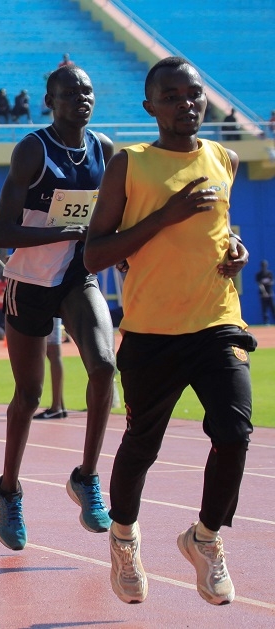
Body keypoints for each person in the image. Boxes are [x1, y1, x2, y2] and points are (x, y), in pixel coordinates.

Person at [84, 56, 252, 606]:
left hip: (217, 322)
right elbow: (95, 254)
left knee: (233, 433)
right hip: (154, 332)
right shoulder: (128, 164)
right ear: (150, 106)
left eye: (195, 93)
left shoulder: (224, 157)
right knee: (141, 447)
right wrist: (165, 216)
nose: (187, 104)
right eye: (173, 95)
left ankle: (204, 537)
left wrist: (235, 252)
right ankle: (124, 537)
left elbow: (219, 231)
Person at [0, 65, 117, 551]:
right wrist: (70, 232)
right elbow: (2, 234)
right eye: (69, 93)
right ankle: (9, 490)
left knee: (105, 366)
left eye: (86, 91)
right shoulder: (32, 150)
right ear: (50, 100)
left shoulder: (104, 151)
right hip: (29, 282)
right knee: (28, 395)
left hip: (76, 278)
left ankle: (86, 477)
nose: (80, 99)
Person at [32, 317, 67, 419]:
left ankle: (56, 407)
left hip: (49, 308)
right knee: (53, 354)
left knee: (54, 353)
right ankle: (60, 405)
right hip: (52, 309)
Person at [256, 259, 275, 324]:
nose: (264, 267)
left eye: (265, 265)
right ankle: (266, 322)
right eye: (263, 265)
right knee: (264, 309)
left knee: (272, 307)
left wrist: (268, 292)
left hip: (270, 293)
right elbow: (260, 285)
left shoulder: (269, 274)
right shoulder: (259, 275)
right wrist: (264, 293)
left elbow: (272, 282)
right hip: (263, 295)